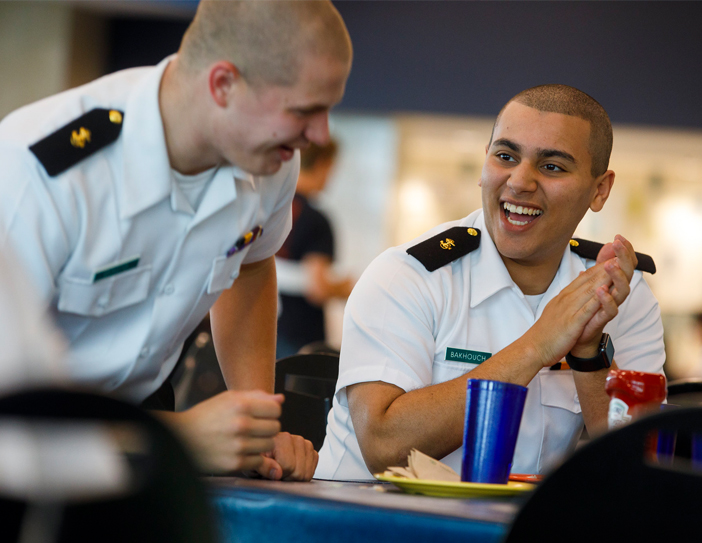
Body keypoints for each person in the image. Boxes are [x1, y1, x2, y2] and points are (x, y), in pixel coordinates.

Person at [0, 0, 352, 481]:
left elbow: (251, 264)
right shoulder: (38, 173)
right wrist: (175, 438)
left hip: (151, 411)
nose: (319, 134)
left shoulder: (271, 160)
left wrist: (256, 421)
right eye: (304, 111)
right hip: (35, 442)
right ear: (223, 84)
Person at [316, 84, 665, 480]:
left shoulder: (623, 293)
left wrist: (589, 352)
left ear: (599, 190)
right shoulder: (408, 275)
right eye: (505, 156)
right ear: (484, 164)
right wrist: (537, 344)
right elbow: (383, 447)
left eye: (552, 167)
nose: (519, 181)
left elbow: (639, 465)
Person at [275, 140, 354, 358]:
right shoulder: (315, 220)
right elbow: (317, 287)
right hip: (300, 341)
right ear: (323, 164)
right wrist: (347, 288)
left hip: (263, 331)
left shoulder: (271, 208)